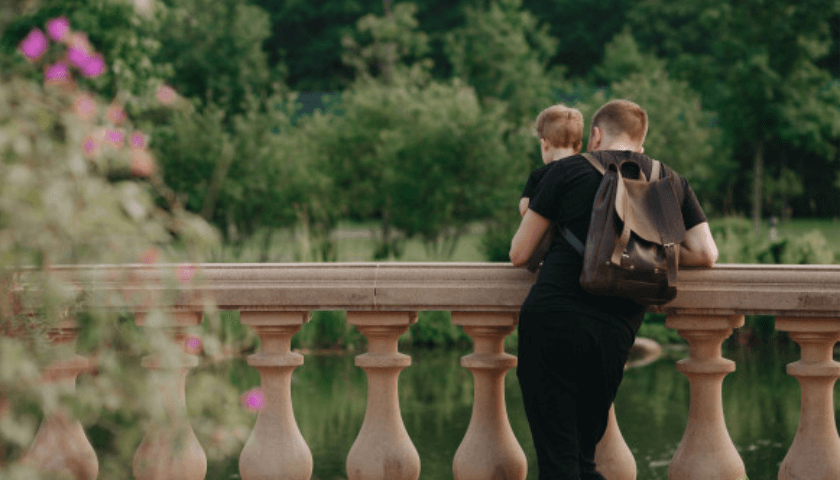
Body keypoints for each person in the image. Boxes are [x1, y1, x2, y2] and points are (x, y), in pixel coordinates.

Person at [508, 99, 718, 480]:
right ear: (641, 141)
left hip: (552, 319)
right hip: (616, 326)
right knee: (583, 458)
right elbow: (705, 253)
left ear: (596, 134)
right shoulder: (666, 181)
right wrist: (647, 247)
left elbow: (520, 253)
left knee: (558, 460)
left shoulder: (565, 171)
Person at [519, 104, 585, 217]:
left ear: (544, 145)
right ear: (578, 147)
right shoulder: (585, 171)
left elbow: (524, 209)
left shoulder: (539, 175)